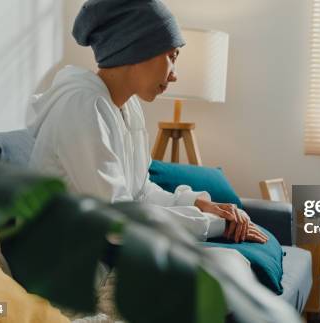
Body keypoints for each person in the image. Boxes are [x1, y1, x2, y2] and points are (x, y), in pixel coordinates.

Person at [27, 0, 267, 244]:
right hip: (68, 264)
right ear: (137, 49)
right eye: (171, 56)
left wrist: (198, 203)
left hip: (101, 252)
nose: (174, 74)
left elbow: (140, 192)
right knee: (227, 270)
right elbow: (115, 220)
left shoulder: (127, 106)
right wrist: (213, 224)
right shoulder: (81, 106)